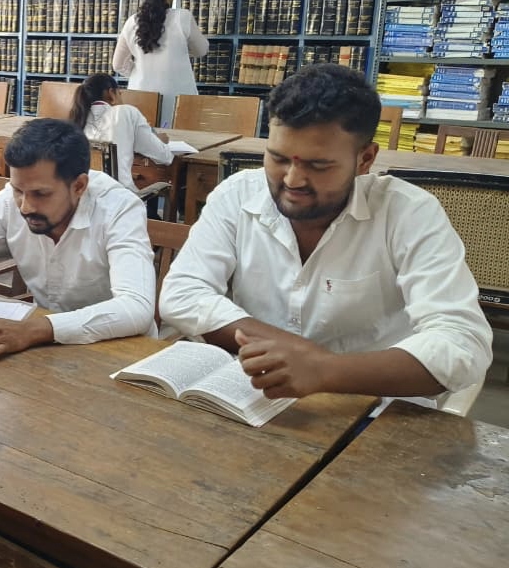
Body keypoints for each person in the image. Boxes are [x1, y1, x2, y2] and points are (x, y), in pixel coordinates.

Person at [159, 64, 492, 401]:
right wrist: (299, 354)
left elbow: (462, 342)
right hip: (258, 400)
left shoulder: (408, 213)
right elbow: (183, 293)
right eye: (277, 159)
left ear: (365, 160)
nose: (292, 180)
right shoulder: (238, 195)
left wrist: (325, 371)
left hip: (372, 408)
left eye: (318, 166)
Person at [0, 119, 156, 361]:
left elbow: (136, 309)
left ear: (80, 186)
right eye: (18, 190)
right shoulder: (10, 200)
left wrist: (34, 329)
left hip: (118, 349)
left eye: (41, 194)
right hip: (44, 351)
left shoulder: (119, 208)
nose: (25, 206)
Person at [112, 0, 208, 120]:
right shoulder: (182, 18)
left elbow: (117, 65)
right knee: (179, 140)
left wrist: (141, 72)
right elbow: (201, 50)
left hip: (140, 97)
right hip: (178, 100)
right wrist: (181, 51)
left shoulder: (132, 21)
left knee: (142, 140)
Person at [70, 73, 173, 195]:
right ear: (111, 93)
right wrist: (160, 141)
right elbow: (164, 157)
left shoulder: (77, 116)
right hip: (119, 200)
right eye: (120, 93)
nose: (121, 97)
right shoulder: (126, 112)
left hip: (82, 197)